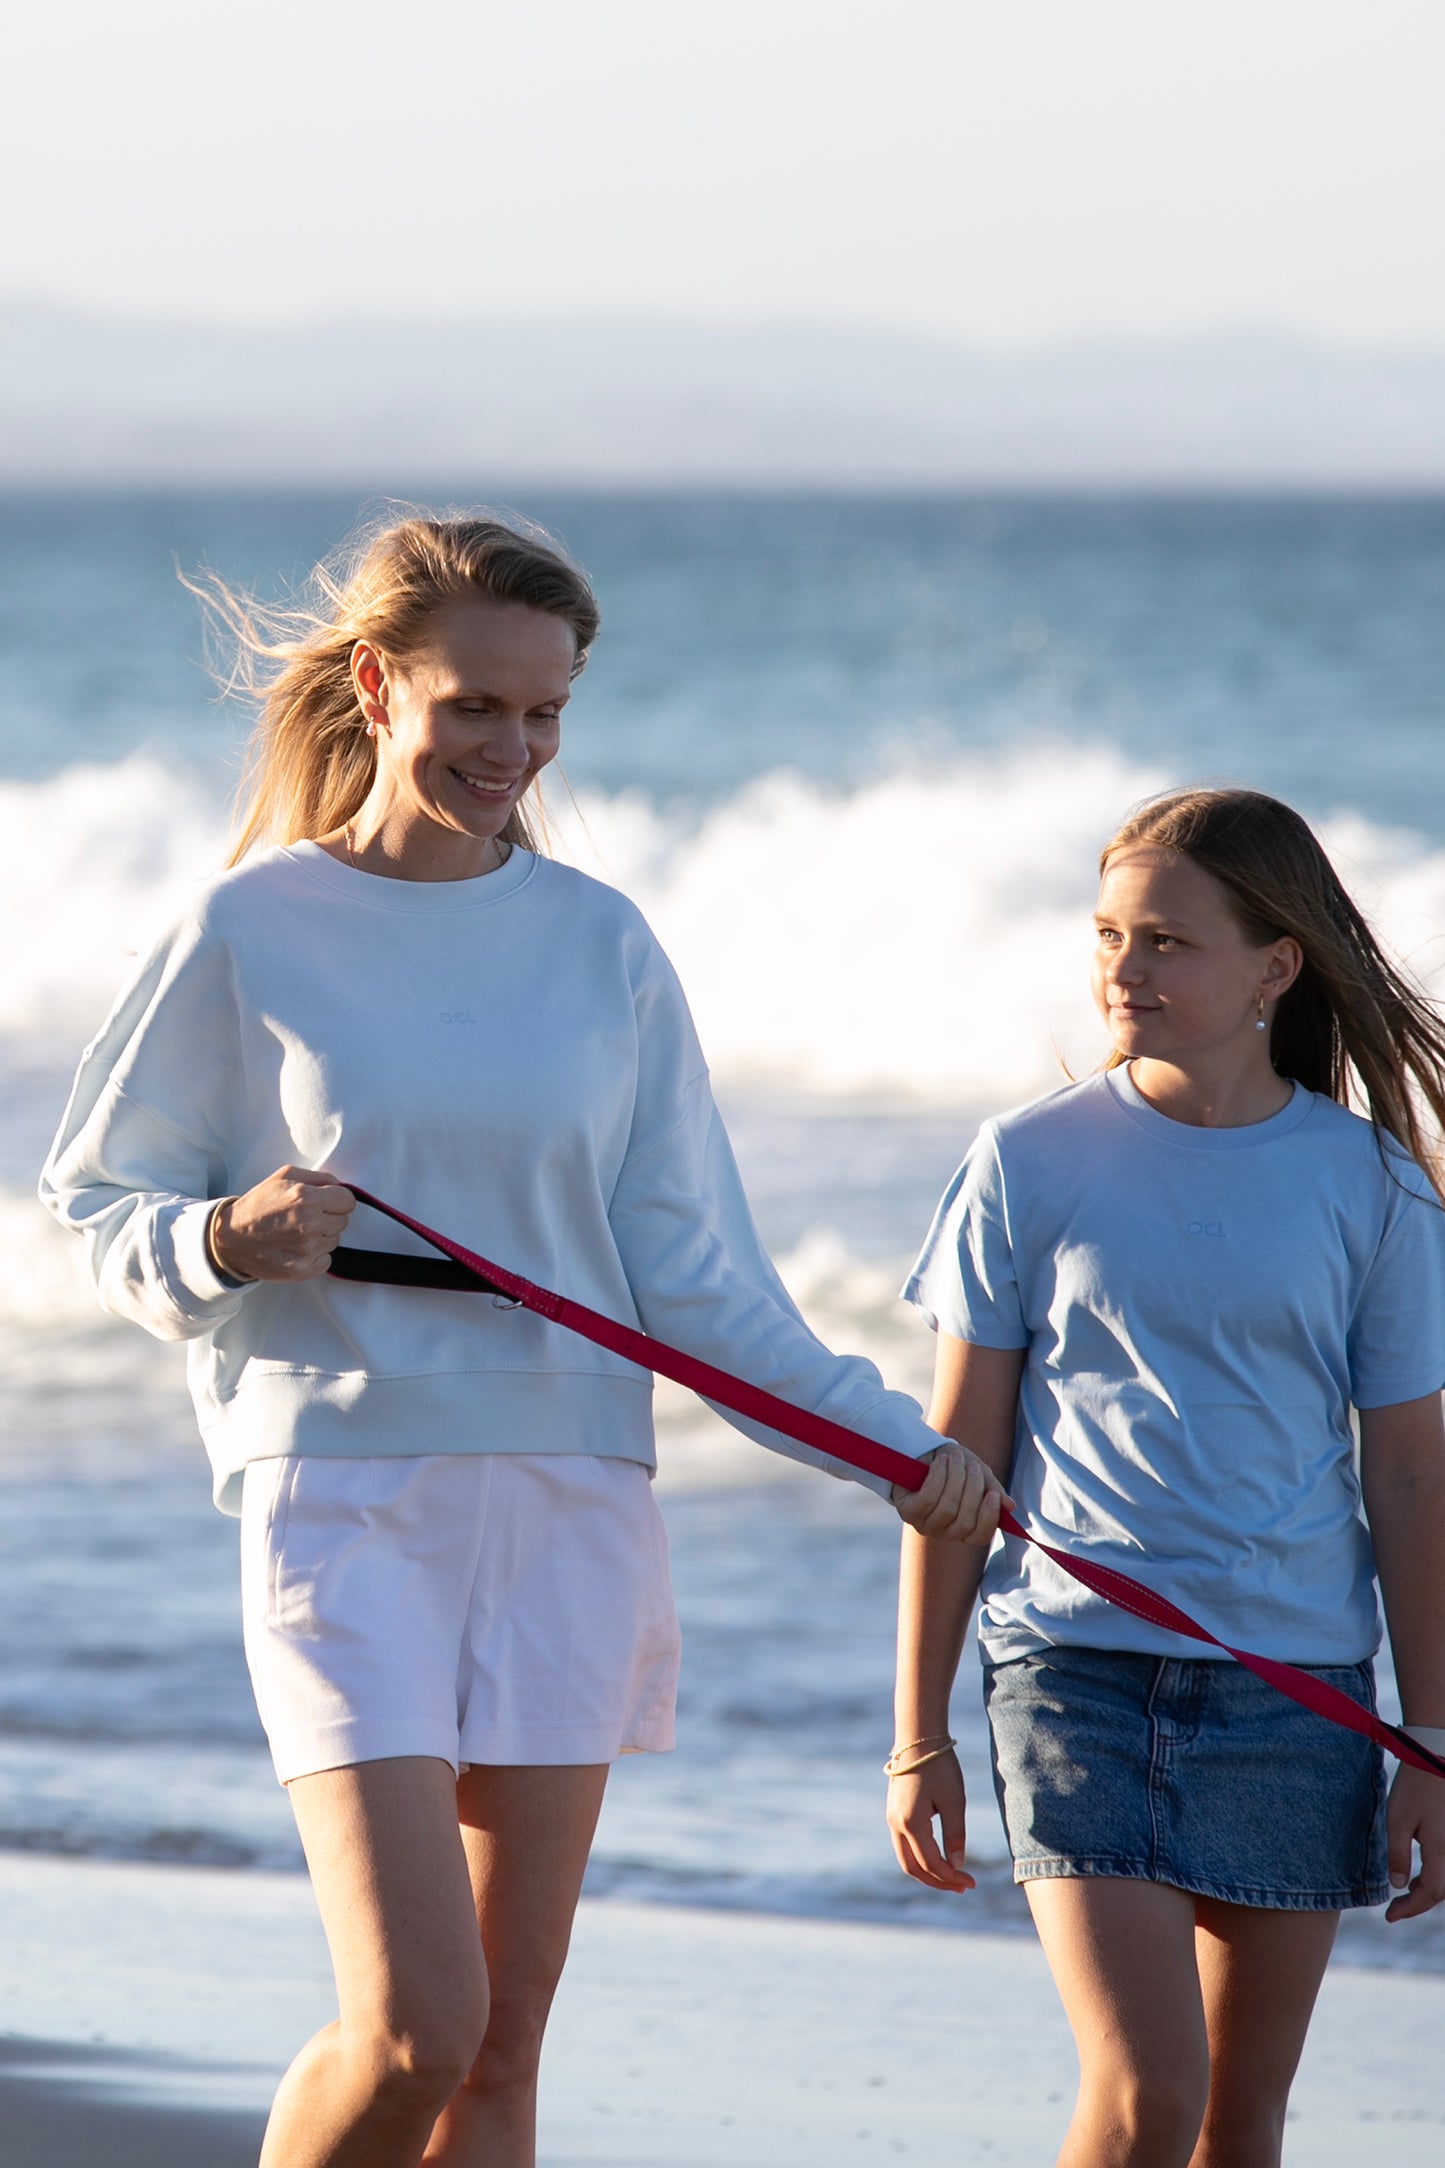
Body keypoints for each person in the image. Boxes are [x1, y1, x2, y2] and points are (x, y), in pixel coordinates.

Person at [40, 510, 1005, 2168]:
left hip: (571, 1499)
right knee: (417, 2026)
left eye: (545, 711)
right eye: (475, 706)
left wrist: (891, 1448)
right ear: (376, 685)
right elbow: (93, 1201)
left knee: (496, 2054)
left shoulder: (602, 944)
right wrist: (219, 1238)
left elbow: (696, 1284)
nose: (514, 747)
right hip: (345, 1503)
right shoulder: (249, 930)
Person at [887, 786, 1445, 2168]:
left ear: (1274, 965)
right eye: (1106, 936)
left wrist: (1429, 1738)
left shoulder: (1370, 1185)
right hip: (1071, 1666)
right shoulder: (1026, 1158)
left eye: (1163, 943)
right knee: (1149, 2100)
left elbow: (1412, 1481)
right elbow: (954, 1465)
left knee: (1238, 2126)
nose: (1121, 971)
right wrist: (916, 1729)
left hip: (1295, 1689)